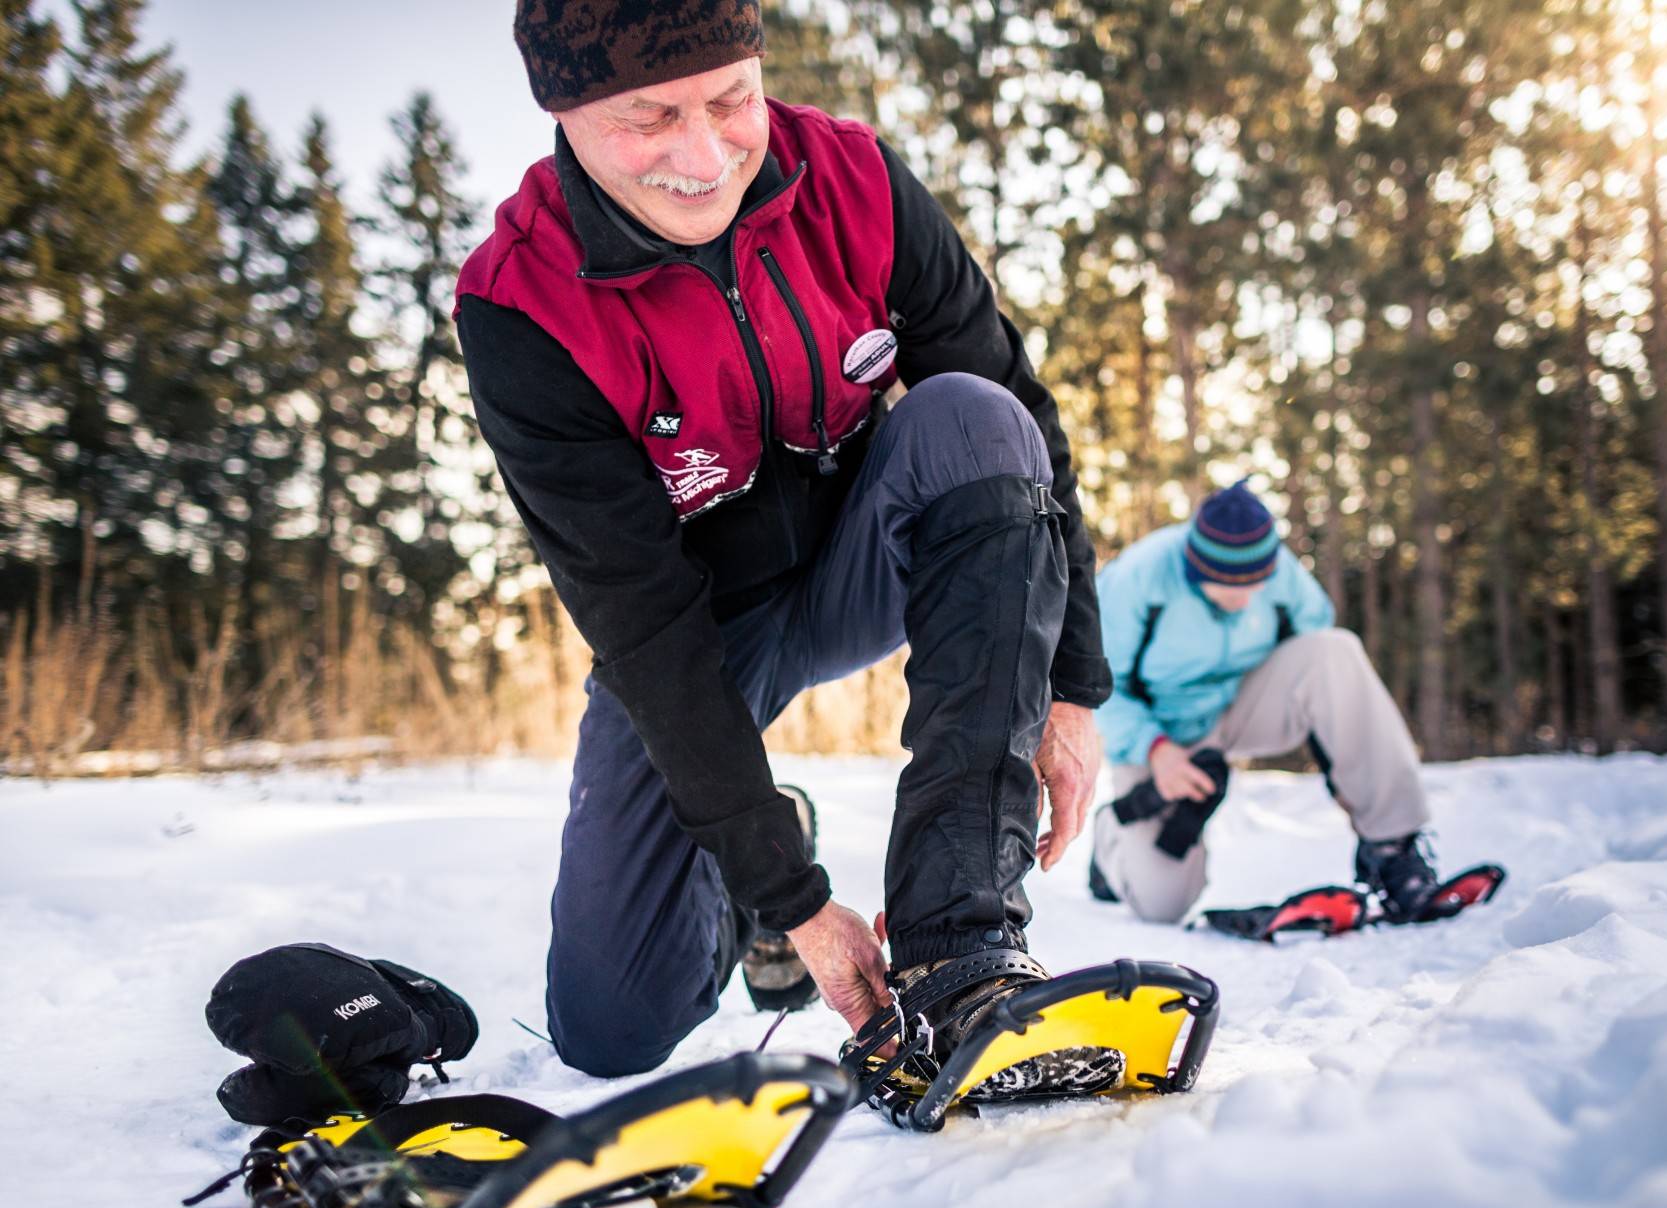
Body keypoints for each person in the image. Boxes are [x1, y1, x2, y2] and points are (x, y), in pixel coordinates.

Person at [457, 1, 1109, 1078]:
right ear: (565, 110)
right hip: (697, 634)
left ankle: (962, 939)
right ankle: (742, 881)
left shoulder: (852, 180)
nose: (704, 156)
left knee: (972, 418)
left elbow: (1020, 420)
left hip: (870, 554)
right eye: (648, 118)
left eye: (730, 101)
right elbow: (644, 627)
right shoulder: (519, 304)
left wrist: (1070, 685)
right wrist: (788, 892)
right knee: (611, 1028)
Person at [1088, 481, 1441, 924]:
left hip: (1241, 709)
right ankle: (1110, 838)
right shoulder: (1141, 576)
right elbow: (1098, 684)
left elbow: (1315, 648)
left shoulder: (1279, 569)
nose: (1242, 597)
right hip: (1161, 731)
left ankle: (1393, 846)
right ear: (1196, 566)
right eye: (1224, 584)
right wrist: (1156, 750)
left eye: (1254, 582)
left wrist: (1333, 746)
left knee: (1335, 651)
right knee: (1163, 906)